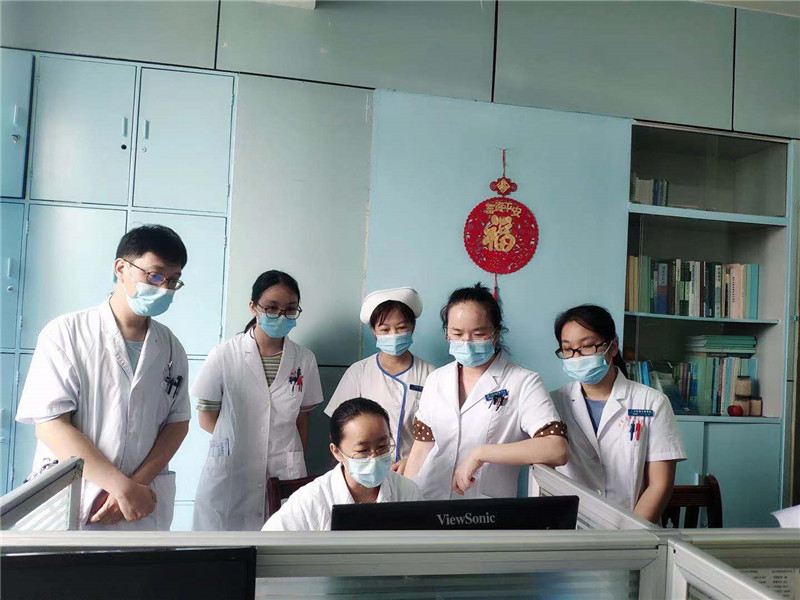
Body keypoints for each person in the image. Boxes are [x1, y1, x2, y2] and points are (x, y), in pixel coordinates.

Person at [15, 225, 190, 530]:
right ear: (121, 268)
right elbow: (51, 424)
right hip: (75, 498)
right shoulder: (66, 333)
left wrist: (134, 487)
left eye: (173, 280)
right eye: (155, 276)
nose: (164, 288)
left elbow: (177, 424)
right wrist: (119, 487)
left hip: (140, 505)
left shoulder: (171, 347)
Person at [404, 284, 568, 500]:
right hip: (428, 500)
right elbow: (421, 448)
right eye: (457, 333)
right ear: (446, 333)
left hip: (484, 510)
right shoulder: (436, 379)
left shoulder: (523, 382)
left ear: (496, 333)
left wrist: (481, 454)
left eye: (479, 333)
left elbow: (556, 449)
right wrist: (403, 502)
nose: (466, 342)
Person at [192, 270, 323, 531]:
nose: (281, 315)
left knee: (281, 542)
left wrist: (292, 457)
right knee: (225, 546)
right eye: (271, 308)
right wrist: (241, 441)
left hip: (284, 470)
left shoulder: (304, 359)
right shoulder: (224, 355)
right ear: (254, 307)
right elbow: (207, 419)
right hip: (232, 469)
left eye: (290, 309)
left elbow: (302, 420)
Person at [550, 304, 686, 523]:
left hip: (634, 528)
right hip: (571, 529)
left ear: (612, 347)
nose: (576, 357)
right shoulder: (554, 403)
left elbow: (659, 484)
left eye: (586, 346)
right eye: (568, 349)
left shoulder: (652, 402)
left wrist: (629, 535)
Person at [263, 397, 422, 531]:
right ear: (337, 452)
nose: (374, 457)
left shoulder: (407, 492)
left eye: (383, 446)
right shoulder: (311, 501)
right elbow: (268, 544)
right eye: (362, 450)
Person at [324, 287, 434, 472]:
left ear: (412, 327)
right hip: (366, 467)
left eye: (401, 328)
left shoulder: (430, 374)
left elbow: (439, 430)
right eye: (385, 329)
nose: (394, 335)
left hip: (415, 468)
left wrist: (413, 462)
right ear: (374, 331)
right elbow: (338, 427)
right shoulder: (359, 372)